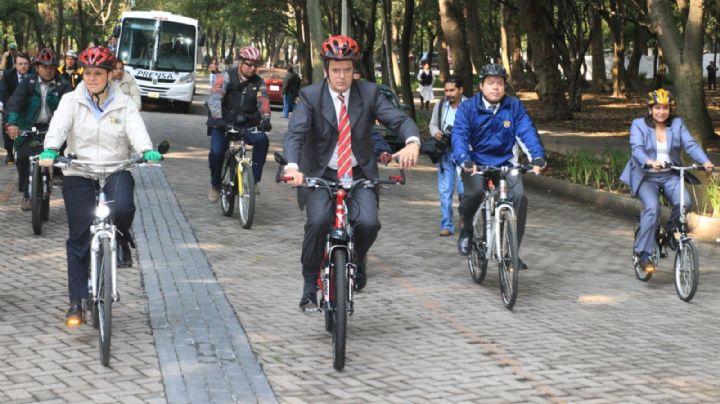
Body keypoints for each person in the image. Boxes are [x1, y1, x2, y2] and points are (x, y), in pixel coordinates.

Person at [283, 35, 420, 310]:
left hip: (358, 172)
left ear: (354, 70)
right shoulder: (310, 96)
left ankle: (357, 258)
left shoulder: (368, 93)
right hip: (321, 172)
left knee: (368, 223)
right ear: (326, 70)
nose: (342, 76)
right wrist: (292, 166)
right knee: (319, 222)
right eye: (336, 70)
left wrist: (412, 142)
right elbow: (295, 134)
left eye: (347, 69)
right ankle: (310, 285)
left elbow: (398, 119)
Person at [37, 46, 162, 326]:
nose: (92, 78)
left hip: (115, 167)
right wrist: (51, 149)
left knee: (124, 208)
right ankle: (76, 300)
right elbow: (58, 127)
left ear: (109, 75)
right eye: (88, 73)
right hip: (79, 170)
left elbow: (136, 128)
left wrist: (146, 149)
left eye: (98, 73)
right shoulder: (71, 100)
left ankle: (118, 239)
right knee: (79, 235)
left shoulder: (124, 102)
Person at [453, 63, 546, 267]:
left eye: (500, 84)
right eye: (491, 83)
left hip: (506, 163)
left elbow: (526, 132)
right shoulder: (467, 108)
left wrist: (537, 158)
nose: (496, 87)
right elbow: (459, 135)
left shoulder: (514, 106)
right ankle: (467, 228)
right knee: (475, 193)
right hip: (475, 164)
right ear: (481, 86)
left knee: (519, 196)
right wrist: (464, 159)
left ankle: (512, 252)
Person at [619, 89, 714, 273]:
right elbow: (636, 149)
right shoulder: (638, 125)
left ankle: (671, 232)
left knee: (685, 202)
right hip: (646, 176)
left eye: (665, 108)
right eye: (657, 108)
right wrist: (649, 161)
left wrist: (705, 161)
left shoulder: (677, 124)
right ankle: (643, 253)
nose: (661, 111)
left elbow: (690, 144)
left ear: (670, 109)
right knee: (652, 208)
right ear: (650, 109)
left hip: (670, 175)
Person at [5, 49, 71, 211]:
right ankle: (26, 194)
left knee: (62, 156)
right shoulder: (28, 82)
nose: (48, 70)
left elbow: (73, 108)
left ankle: (56, 174)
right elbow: (14, 104)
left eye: (51, 66)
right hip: (29, 127)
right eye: (44, 66)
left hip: (54, 128)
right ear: (37, 67)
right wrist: (12, 124)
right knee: (23, 158)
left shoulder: (63, 85)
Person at [205, 45, 272, 202]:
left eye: (256, 65)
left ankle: (253, 180)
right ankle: (215, 185)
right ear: (240, 62)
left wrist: (266, 118)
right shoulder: (226, 76)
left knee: (262, 141)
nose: (253, 68)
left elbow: (263, 101)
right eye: (249, 64)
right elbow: (214, 99)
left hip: (247, 123)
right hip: (223, 122)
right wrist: (218, 118)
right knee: (216, 152)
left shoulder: (259, 82)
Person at [428, 75, 468, 237]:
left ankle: (465, 218)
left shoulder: (470, 106)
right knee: (445, 191)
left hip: (464, 154)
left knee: (463, 190)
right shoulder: (440, 106)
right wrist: (435, 132)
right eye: (446, 90)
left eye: (452, 90)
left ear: (460, 90)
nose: (449, 94)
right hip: (445, 152)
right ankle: (446, 224)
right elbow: (432, 124)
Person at [0, 51, 33, 165]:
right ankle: (9, 152)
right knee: (6, 122)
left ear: (29, 64)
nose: (23, 66)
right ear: (15, 65)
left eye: (26, 63)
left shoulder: (35, 75)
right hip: (11, 106)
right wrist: (2, 105)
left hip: (29, 107)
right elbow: (3, 91)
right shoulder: (8, 74)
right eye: (20, 64)